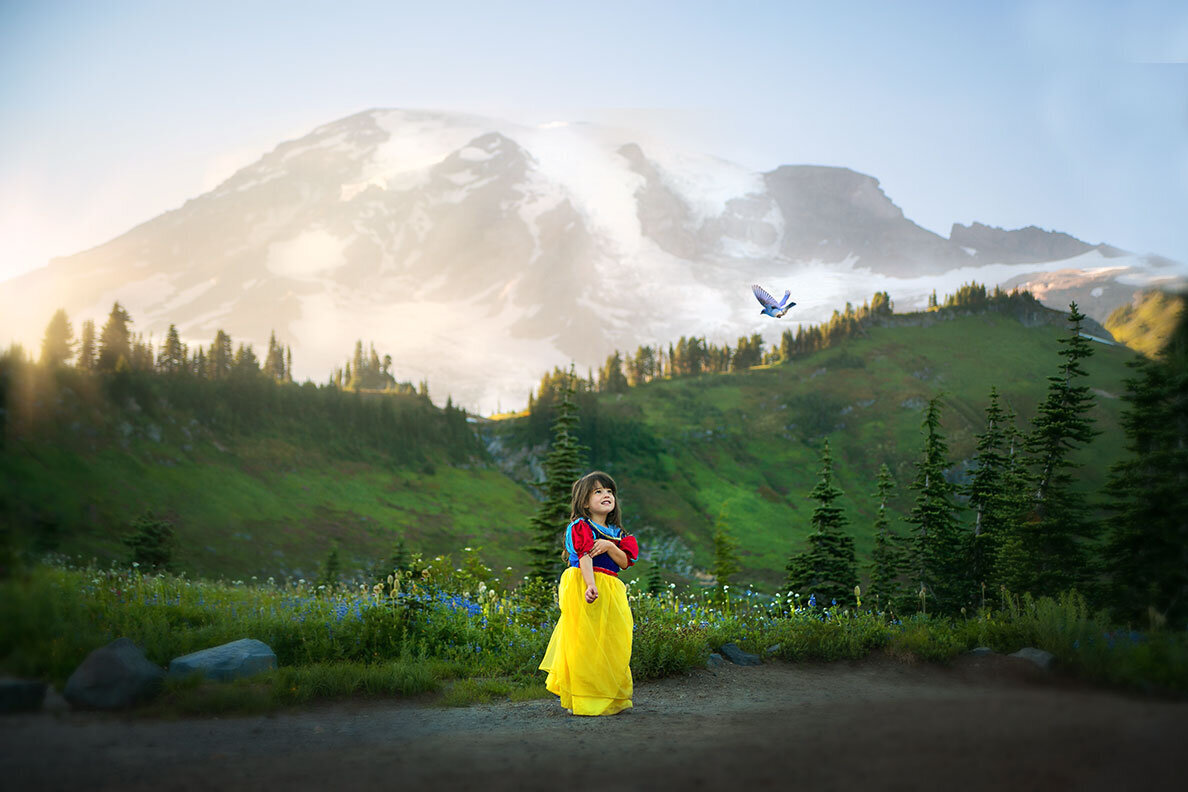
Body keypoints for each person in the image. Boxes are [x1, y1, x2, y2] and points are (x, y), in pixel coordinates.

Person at [539, 470, 639, 716]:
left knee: (612, 640)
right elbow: (584, 555)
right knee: (585, 643)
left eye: (609, 491)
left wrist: (608, 545)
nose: (606, 495)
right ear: (585, 501)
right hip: (585, 583)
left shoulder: (617, 533)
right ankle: (584, 698)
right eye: (598, 492)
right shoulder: (581, 526)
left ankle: (609, 698)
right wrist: (590, 584)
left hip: (611, 587)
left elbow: (625, 562)